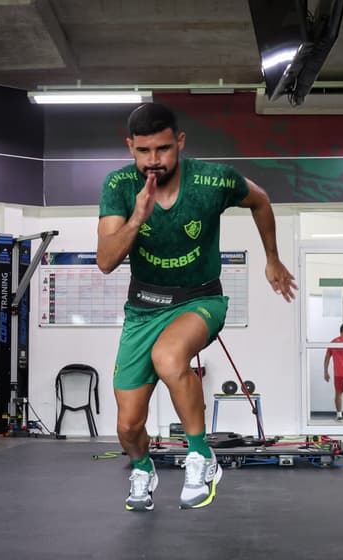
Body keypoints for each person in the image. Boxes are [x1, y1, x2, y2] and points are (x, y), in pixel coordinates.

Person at [96, 103, 297, 512]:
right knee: (128, 425)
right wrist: (137, 217)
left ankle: (202, 455)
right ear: (130, 147)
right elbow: (105, 260)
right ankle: (142, 468)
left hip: (201, 299)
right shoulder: (118, 186)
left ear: (180, 142)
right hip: (144, 309)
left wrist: (272, 258)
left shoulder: (213, 179)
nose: (154, 161)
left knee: (169, 357)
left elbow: (260, 200)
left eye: (164, 149)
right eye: (144, 151)